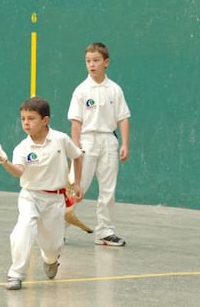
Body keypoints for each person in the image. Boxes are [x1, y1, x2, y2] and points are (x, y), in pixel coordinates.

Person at [0, 96, 84, 290]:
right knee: (24, 227)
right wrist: (4, 162)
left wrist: (76, 183)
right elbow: (19, 171)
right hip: (31, 196)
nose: (26, 123)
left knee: (52, 247)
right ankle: (16, 274)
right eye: (23, 119)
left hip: (55, 200)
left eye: (31, 118)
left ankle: (51, 260)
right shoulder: (22, 147)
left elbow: (78, 156)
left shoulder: (60, 139)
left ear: (45, 120)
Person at [67, 42, 131, 246]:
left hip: (109, 141)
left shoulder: (115, 90)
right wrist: (76, 148)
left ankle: (105, 231)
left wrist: (124, 144)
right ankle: (57, 228)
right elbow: (75, 121)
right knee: (76, 187)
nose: (91, 65)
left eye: (95, 60)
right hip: (86, 141)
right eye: (88, 61)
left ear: (106, 62)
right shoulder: (81, 90)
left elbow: (123, 118)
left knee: (108, 189)